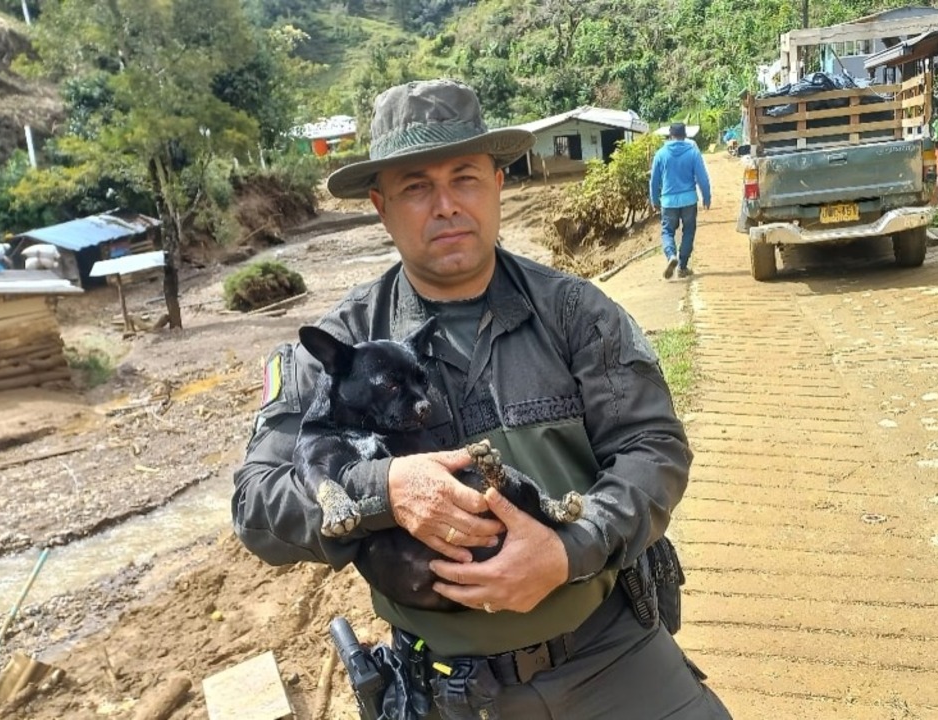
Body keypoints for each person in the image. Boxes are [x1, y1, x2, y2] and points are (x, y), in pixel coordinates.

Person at [233, 79, 731, 720]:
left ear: (498, 182)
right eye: (416, 187)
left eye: (464, 177)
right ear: (381, 207)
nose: (445, 205)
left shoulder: (576, 313)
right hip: (449, 688)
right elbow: (256, 505)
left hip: (611, 653)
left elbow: (653, 447)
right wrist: (381, 489)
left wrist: (567, 548)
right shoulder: (340, 350)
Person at [649, 123, 712, 280]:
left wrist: (654, 200)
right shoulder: (693, 152)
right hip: (689, 200)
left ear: (670, 135)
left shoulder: (661, 154)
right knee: (689, 231)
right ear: (685, 135)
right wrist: (707, 196)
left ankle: (671, 255)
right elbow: (702, 177)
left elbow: (654, 181)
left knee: (667, 231)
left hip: (668, 201)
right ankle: (682, 266)